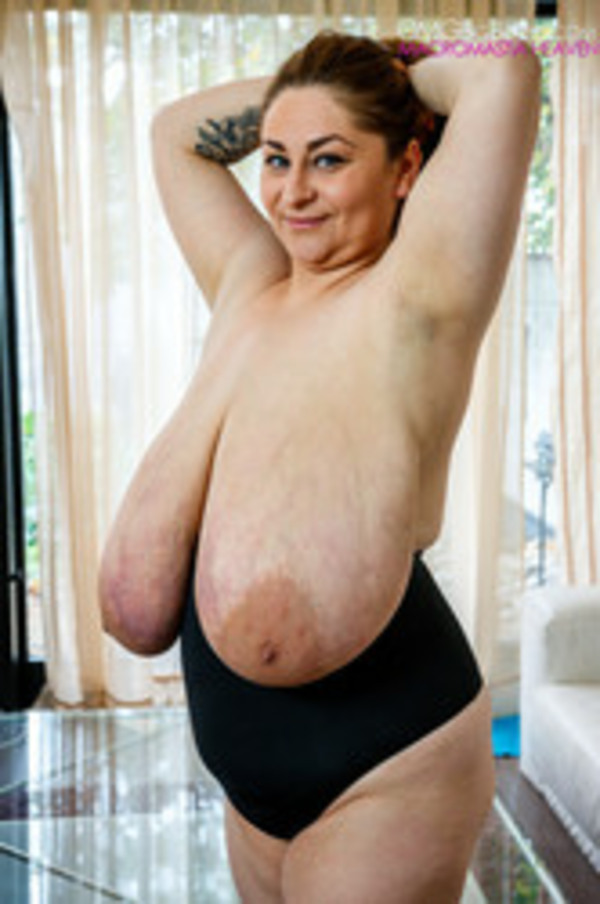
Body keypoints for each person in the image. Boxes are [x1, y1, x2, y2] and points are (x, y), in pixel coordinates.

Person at [99, 30, 541, 903]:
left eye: (329, 160)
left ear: (405, 168)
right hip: (249, 777)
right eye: (276, 159)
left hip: (388, 762)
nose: (292, 192)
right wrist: (319, 92)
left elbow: (504, 71)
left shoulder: (418, 291)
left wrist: (387, 72)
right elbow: (173, 133)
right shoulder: (249, 281)